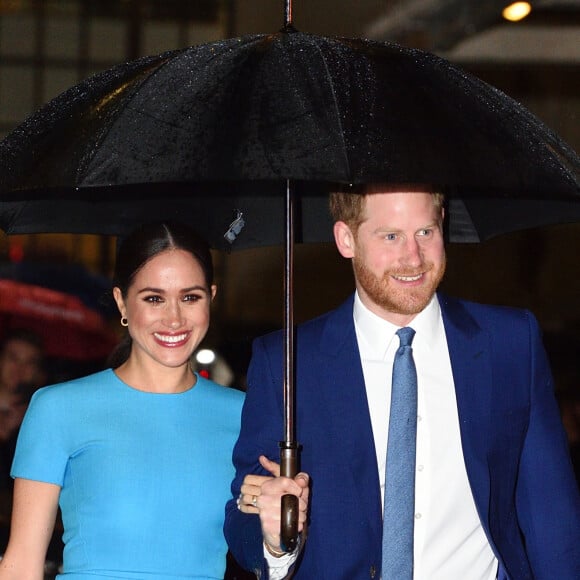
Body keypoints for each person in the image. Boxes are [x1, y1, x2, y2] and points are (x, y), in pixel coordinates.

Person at [224, 185, 580, 579]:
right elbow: (242, 519)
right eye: (391, 236)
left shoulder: (510, 342)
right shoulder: (286, 362)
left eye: (425, 232)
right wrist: (273, 538)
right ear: (346, 239)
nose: (413, 258)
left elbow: (552, 512)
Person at [0, 221, 244, 579]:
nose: (174, 318)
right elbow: (21, 565)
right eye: (154, 298)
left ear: (212, 297)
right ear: (121, 301)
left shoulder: (245, 413)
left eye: (190, 297)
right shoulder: (59, 408)